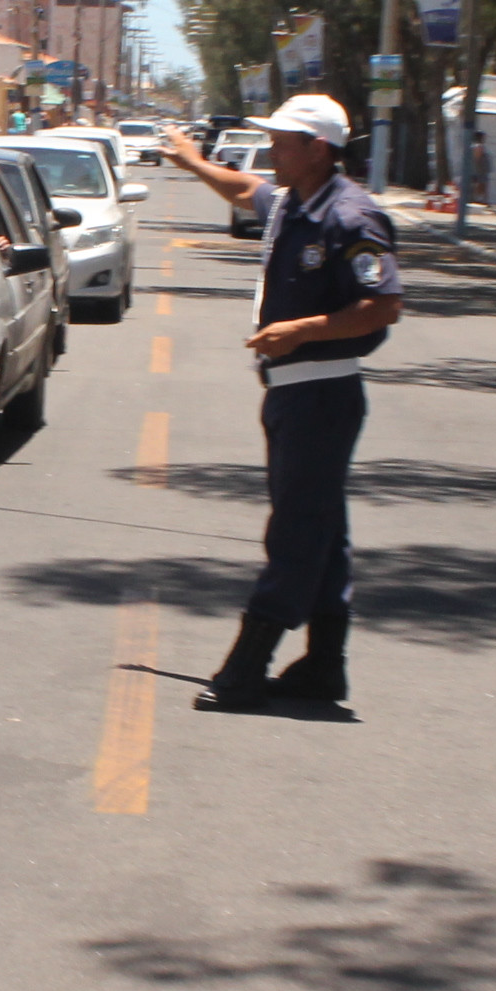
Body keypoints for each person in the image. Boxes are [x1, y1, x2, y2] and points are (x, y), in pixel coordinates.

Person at [157, 91, 403, 712]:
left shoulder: (351, 218)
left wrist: (302, 330)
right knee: (324, 532)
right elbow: (244, 191)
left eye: (282, 143)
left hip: (322, 391)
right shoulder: (293, 203)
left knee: (296, 531)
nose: (271, 152)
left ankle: (246, 667)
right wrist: (190, 163)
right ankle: (325, 666)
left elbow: (382, 306)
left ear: (318, 149)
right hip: (292, 394)